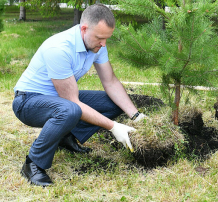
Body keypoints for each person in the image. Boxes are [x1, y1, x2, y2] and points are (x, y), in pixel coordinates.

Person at [12, 4, 145, 187]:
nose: (104, 44)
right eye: (100, 38)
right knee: (70, 109)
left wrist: (135, 115)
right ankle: (33, 163)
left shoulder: (97, 45)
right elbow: (71, 101)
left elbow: (111, 82)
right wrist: (113, 127)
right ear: (84, 29)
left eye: (107, 38)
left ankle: (64, 135)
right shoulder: (59, 48)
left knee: (114, 103)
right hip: (28, 101)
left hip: (59, 99)